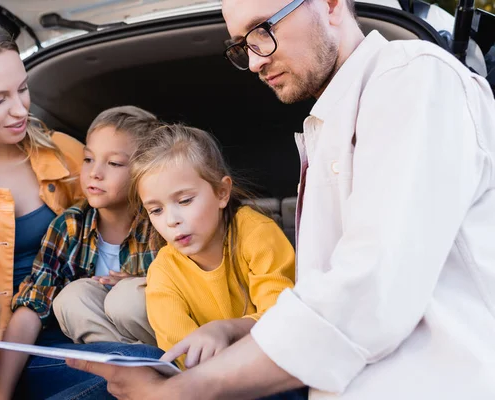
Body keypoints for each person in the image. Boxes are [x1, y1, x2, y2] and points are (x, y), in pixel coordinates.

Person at [65, 0, 495, 399]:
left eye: (262, 30)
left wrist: (183, 391)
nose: (253, 61)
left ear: (328, 4)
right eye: (241, 45)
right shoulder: (325, 128)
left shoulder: (414, 77)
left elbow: (367, 293)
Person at [0, 17, 161, 399]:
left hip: (64, 341)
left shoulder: (67, 156)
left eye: (22, 89)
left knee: (139, 367)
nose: (20, 109)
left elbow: (136, 224)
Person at [0, 106, 162, 399]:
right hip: (98, 353)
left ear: (146, 170)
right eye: (89, 159)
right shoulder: (69, 226)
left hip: (164, 339)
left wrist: (146, 283)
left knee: (128, 297)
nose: (95, 172)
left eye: (115, 164)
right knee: (72, 297)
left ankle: (164, 374)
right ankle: (126, 376)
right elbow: (32, 305)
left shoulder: (161, 224)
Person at [128, 124, 296, 371]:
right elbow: (183, 357)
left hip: (277, 369)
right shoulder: (163, 271)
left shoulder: (257, 233)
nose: (171, 219)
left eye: (184, 201)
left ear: (221, 192)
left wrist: (225, 330)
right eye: (156, 210)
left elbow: (284, 320)